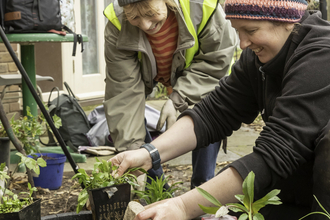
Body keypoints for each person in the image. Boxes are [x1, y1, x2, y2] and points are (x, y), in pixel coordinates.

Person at [109, 0, 330, 219]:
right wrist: (149, 153)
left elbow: (278, 151)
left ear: (288, 20)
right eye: (237, 30)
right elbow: (214, 113)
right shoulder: (258, 57)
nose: (242, 44)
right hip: (299, 190)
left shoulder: (321, 56)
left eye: (251, 30)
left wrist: (184, 207)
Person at [103, 0, 238, 188]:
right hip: (161, 73)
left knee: (207, 111)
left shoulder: (202, 7)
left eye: (150, 13)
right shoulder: (118, 22)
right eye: (134, 17)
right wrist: (132, 154)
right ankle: (157, 188)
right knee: (131, 124)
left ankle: (202, 189)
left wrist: (178, 98)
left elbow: (215, 64)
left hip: (205, 81)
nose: (145, 25)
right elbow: (123, 93)